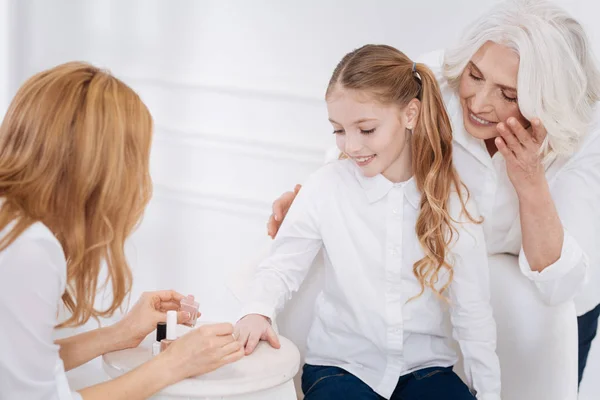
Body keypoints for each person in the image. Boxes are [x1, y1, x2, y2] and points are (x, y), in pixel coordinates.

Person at [267, 1, 600, 398]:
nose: (477, 103)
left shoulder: (582, 135)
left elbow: (559, 287)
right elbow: (356, 162)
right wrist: (311, 204)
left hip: (541, 315)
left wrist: (529, 180)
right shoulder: (429, 85)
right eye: (475, 76)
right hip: (425, 306)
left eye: (508, 94)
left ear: (549, 104)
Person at [236, 44, 501, 400]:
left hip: (425, 370)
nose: (351, 146)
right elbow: (281, 266)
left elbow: (474, 315)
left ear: (410, 114)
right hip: (340, 368)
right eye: (339, 131)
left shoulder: (453, 201)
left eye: (366, 129)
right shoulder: (326, 187)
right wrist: (256, 312)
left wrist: (488, 394)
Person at [0, 62, 244, 400]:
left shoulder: (10, 223)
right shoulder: (28, 248)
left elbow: (20, 368)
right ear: (101, 168)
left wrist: (121, 333)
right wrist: (173, 365)